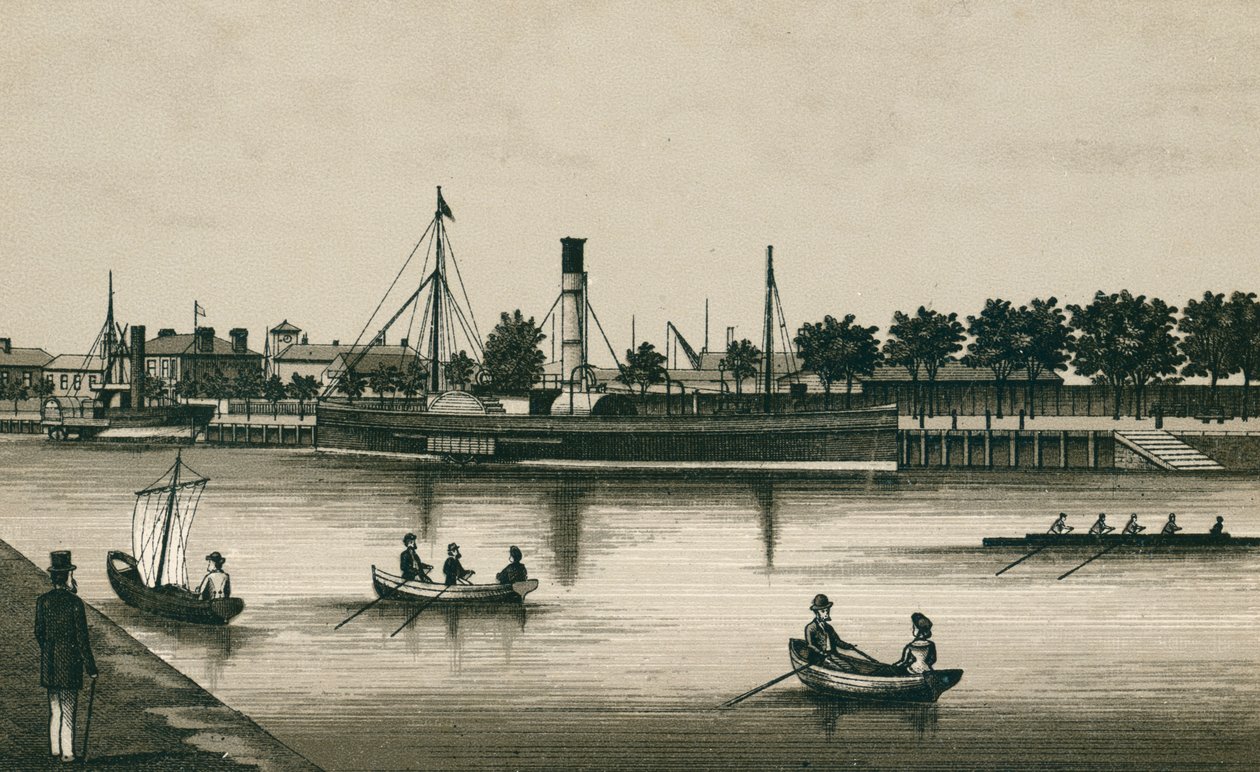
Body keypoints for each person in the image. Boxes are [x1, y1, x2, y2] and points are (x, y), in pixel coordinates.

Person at [35, 550, 98, 763]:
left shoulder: (43, 601)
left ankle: (55, 748)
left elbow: (39, 632)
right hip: (70, 664)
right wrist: (91, 668)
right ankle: (68, 752)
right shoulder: (75, 603)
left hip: (50, 663)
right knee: (69, 710)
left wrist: (49, 650)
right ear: (68, 576)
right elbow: (82, 640)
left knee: (55, 708)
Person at [804, 594, 856, 666]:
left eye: (827, 610)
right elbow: (810, 645)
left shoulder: (829, 627)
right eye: (823, 611)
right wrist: (822, 653)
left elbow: (837, 641)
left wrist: (848, 646)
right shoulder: (810, 627)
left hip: (831, 655)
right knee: (843, 668)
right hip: (819, 658)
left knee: (848, 666)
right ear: (816, 613)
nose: (826, 613)